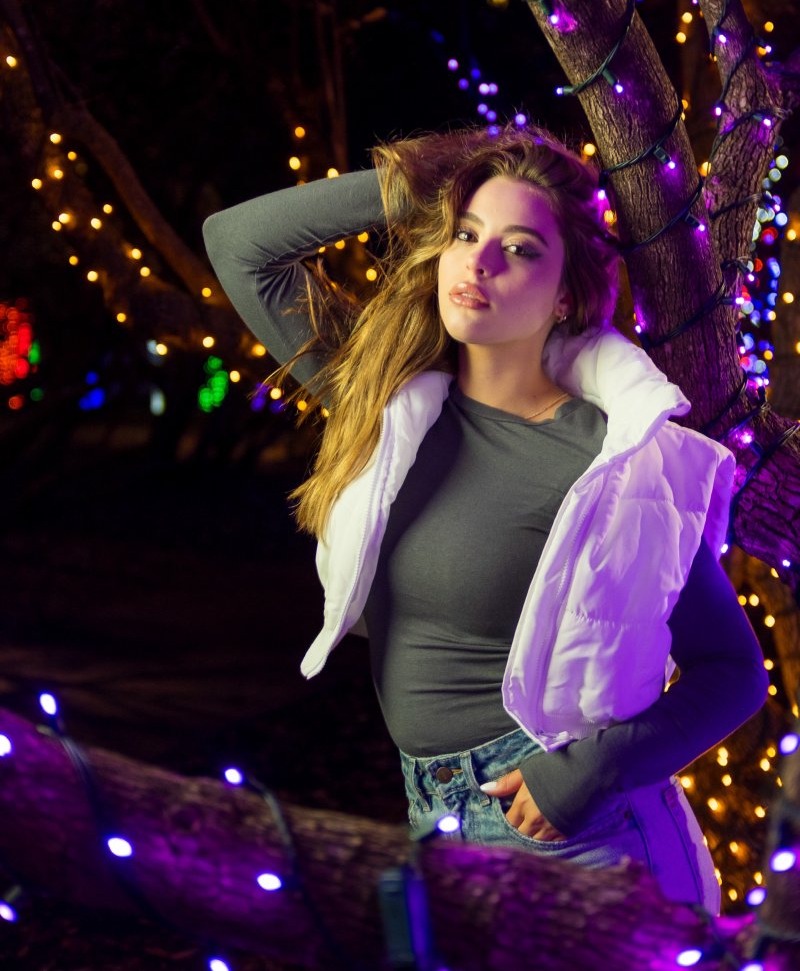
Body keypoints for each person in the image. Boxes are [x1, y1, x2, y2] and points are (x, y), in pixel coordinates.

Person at [202, 121, 768, 914]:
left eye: (523, 249)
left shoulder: (610, 465)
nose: (480, 261)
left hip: (581, 836)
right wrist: (434, 178)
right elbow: (236, 244)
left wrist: (589, 772)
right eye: (466, 234)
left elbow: (736, 672)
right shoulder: (385, 406)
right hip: (431, 824)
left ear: (566, 293)